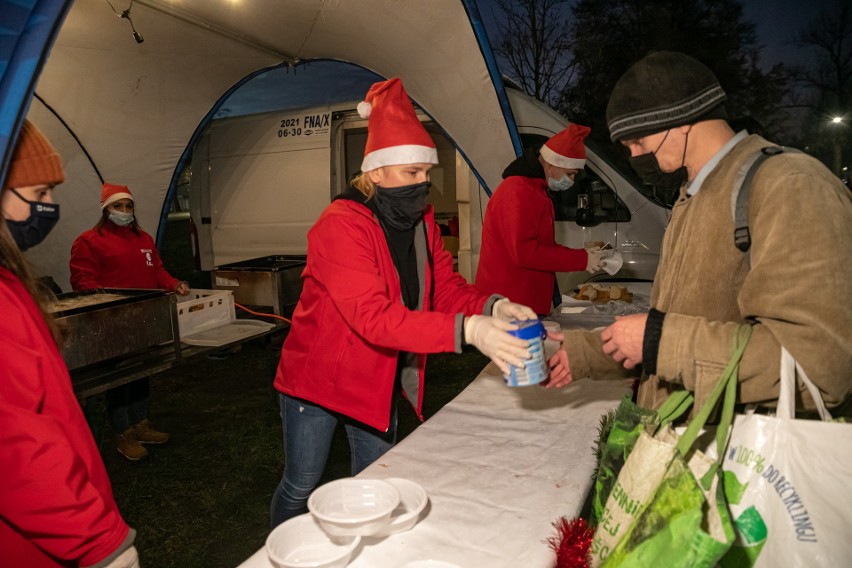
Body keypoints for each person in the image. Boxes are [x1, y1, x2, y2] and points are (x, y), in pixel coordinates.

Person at [269, 78, 537, 527]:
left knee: (378, 483)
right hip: (317, 380)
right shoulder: (340, 226)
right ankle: (277, 551)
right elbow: (373, 317)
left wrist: (492, 307)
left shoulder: (419, 219)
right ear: (376, 171)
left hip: (378, 373)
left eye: (427, 173)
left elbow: (445, 289)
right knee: (301, 484)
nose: (423, 185)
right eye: (412, 174)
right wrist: (468, 331)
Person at [547, 51, 852, 416]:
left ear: (679, 121)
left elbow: (819, 365)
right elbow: (681, 327)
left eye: (638, 142)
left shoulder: (789, 185)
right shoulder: (694, 196)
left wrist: (660, 340)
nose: (634, 156)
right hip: (683, 444)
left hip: (735, 457)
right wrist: (584, 353)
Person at [0, 120, 139, 566]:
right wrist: (99, 543)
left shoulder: (9, 282)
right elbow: (15, 445)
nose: (50, 207)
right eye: (39, 194)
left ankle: (137, 425)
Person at [70, 183, 189, 460]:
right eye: (117, 206)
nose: (124, 211)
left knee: (142, 371)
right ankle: (122, 432)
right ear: (105, 209)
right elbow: (83, 281)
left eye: (128, 206)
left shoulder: (143, 239)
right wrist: (106, 306)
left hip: (144, 318)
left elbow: (157, 271)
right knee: (119, 376)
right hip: (112, 321)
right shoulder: (88, 241)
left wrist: (175, 284)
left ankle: (140, 423)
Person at [475, 123, 617, 315]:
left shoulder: (535, 190)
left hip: (519, 302)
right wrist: (582, 259)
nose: (571, 181)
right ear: (552, 164)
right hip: (508, 304)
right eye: (570, 174)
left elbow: (544, 246)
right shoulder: (519, 192)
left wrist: (584, 255)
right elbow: (525, 252)